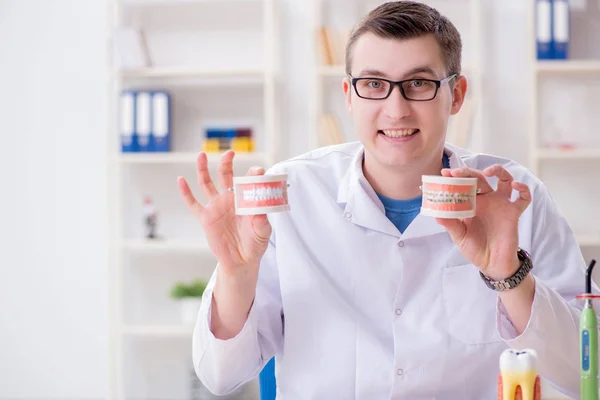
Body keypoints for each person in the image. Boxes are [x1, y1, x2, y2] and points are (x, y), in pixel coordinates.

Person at [177, 1, 594, 399]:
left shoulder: (515, 197)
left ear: (458, 94)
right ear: (349, 95)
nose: (396, 110)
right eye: (374, 84)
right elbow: (220, 375)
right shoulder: (285, 198)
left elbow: (585, 375)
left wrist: (509, 274)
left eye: (419, 84)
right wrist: (236, 274)